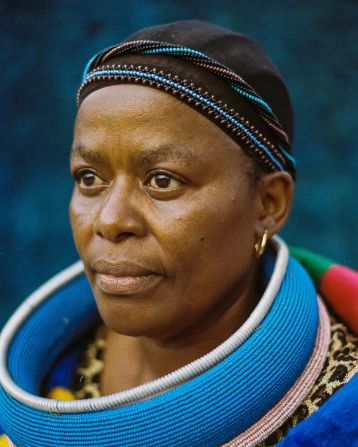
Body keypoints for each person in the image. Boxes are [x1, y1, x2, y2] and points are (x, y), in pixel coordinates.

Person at [0, 20, 356, 447]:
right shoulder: (47, 374)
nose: (109, 221)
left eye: (163, 180)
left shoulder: (338, 415)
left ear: (268, 204)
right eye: (89, 177)